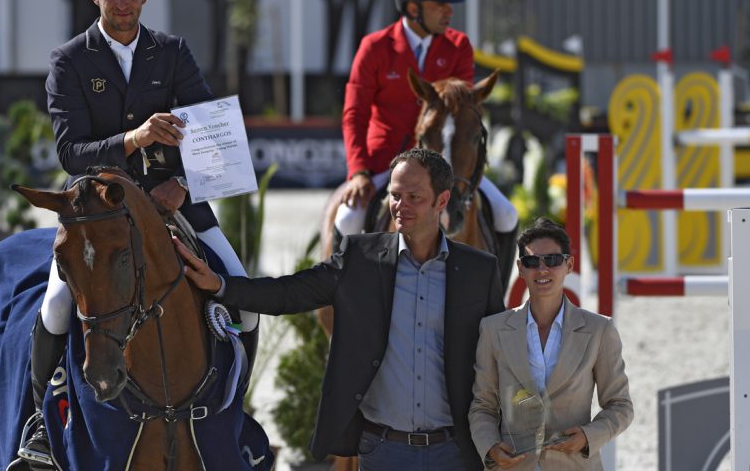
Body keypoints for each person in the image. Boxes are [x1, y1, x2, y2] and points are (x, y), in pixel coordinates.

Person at [10, 0, 253, 470]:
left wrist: (182, 187)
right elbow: (71, 152)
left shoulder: (172, 53)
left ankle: (239, 416)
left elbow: (209, 134)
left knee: (245, 298)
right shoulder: (69, 60)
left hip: (172, 202)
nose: (121, 1)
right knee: (55, 308)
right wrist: (134, 138)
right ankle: (39, 427)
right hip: (97, 212)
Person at [176, 148, 505, 471]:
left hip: (456, 453)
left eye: (414, 197)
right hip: (382, 451)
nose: (400, 207)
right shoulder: (361, 258)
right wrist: (222, 285)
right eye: (395, 195)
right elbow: (290, 292)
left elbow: (498, 359)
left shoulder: (479, 270)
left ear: (443, 201)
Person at [335, 0, 518, 251]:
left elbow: (464, 114)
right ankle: (341, 294)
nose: (450, 12)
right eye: (440, 5)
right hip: (385, 159)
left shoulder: (458, 47)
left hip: (447, 162)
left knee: (507, 216)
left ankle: (496, 294)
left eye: (450, 5)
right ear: (412, 9)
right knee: (347, 220)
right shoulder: (375, 47)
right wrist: (358, 171)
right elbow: (354, 114)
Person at [468, 218, 633, 471]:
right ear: (521, 268)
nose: (542, 269)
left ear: (569, 265)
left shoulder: (600, 330)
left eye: (553, 260)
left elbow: (620, 405)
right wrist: (490, 446)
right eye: (532, 261)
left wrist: (588, 437)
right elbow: (483, 406)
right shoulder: (492, 330)